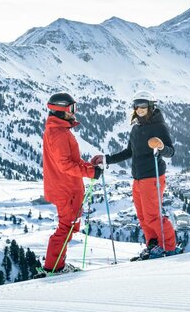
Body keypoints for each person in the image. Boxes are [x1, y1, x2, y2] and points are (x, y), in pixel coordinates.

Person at [93, 91, 177, 260]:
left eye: (143, 106)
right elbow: (129, 152)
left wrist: (160, 146)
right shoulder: (136, 129)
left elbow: (171, 152)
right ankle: (153, 245)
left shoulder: (159, 126)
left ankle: (168, 248)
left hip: (153, 177)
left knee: (153, 215)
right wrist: (107, 159)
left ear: (150, 107)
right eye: (136, 106)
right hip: (138, 178)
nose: (139, 109)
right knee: (143, 216)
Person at [42, 92, 102, 273]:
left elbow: (71, 161)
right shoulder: (59, 133)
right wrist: (90, 171)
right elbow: (65, 165)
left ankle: (57, 265)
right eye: (71, 109)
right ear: (60, 110)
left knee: (68, 228)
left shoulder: (58, 130)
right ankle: (54, 268)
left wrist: (89, 166)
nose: (74, 113)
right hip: (66, 189)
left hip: (67, 187)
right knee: (66, 228)